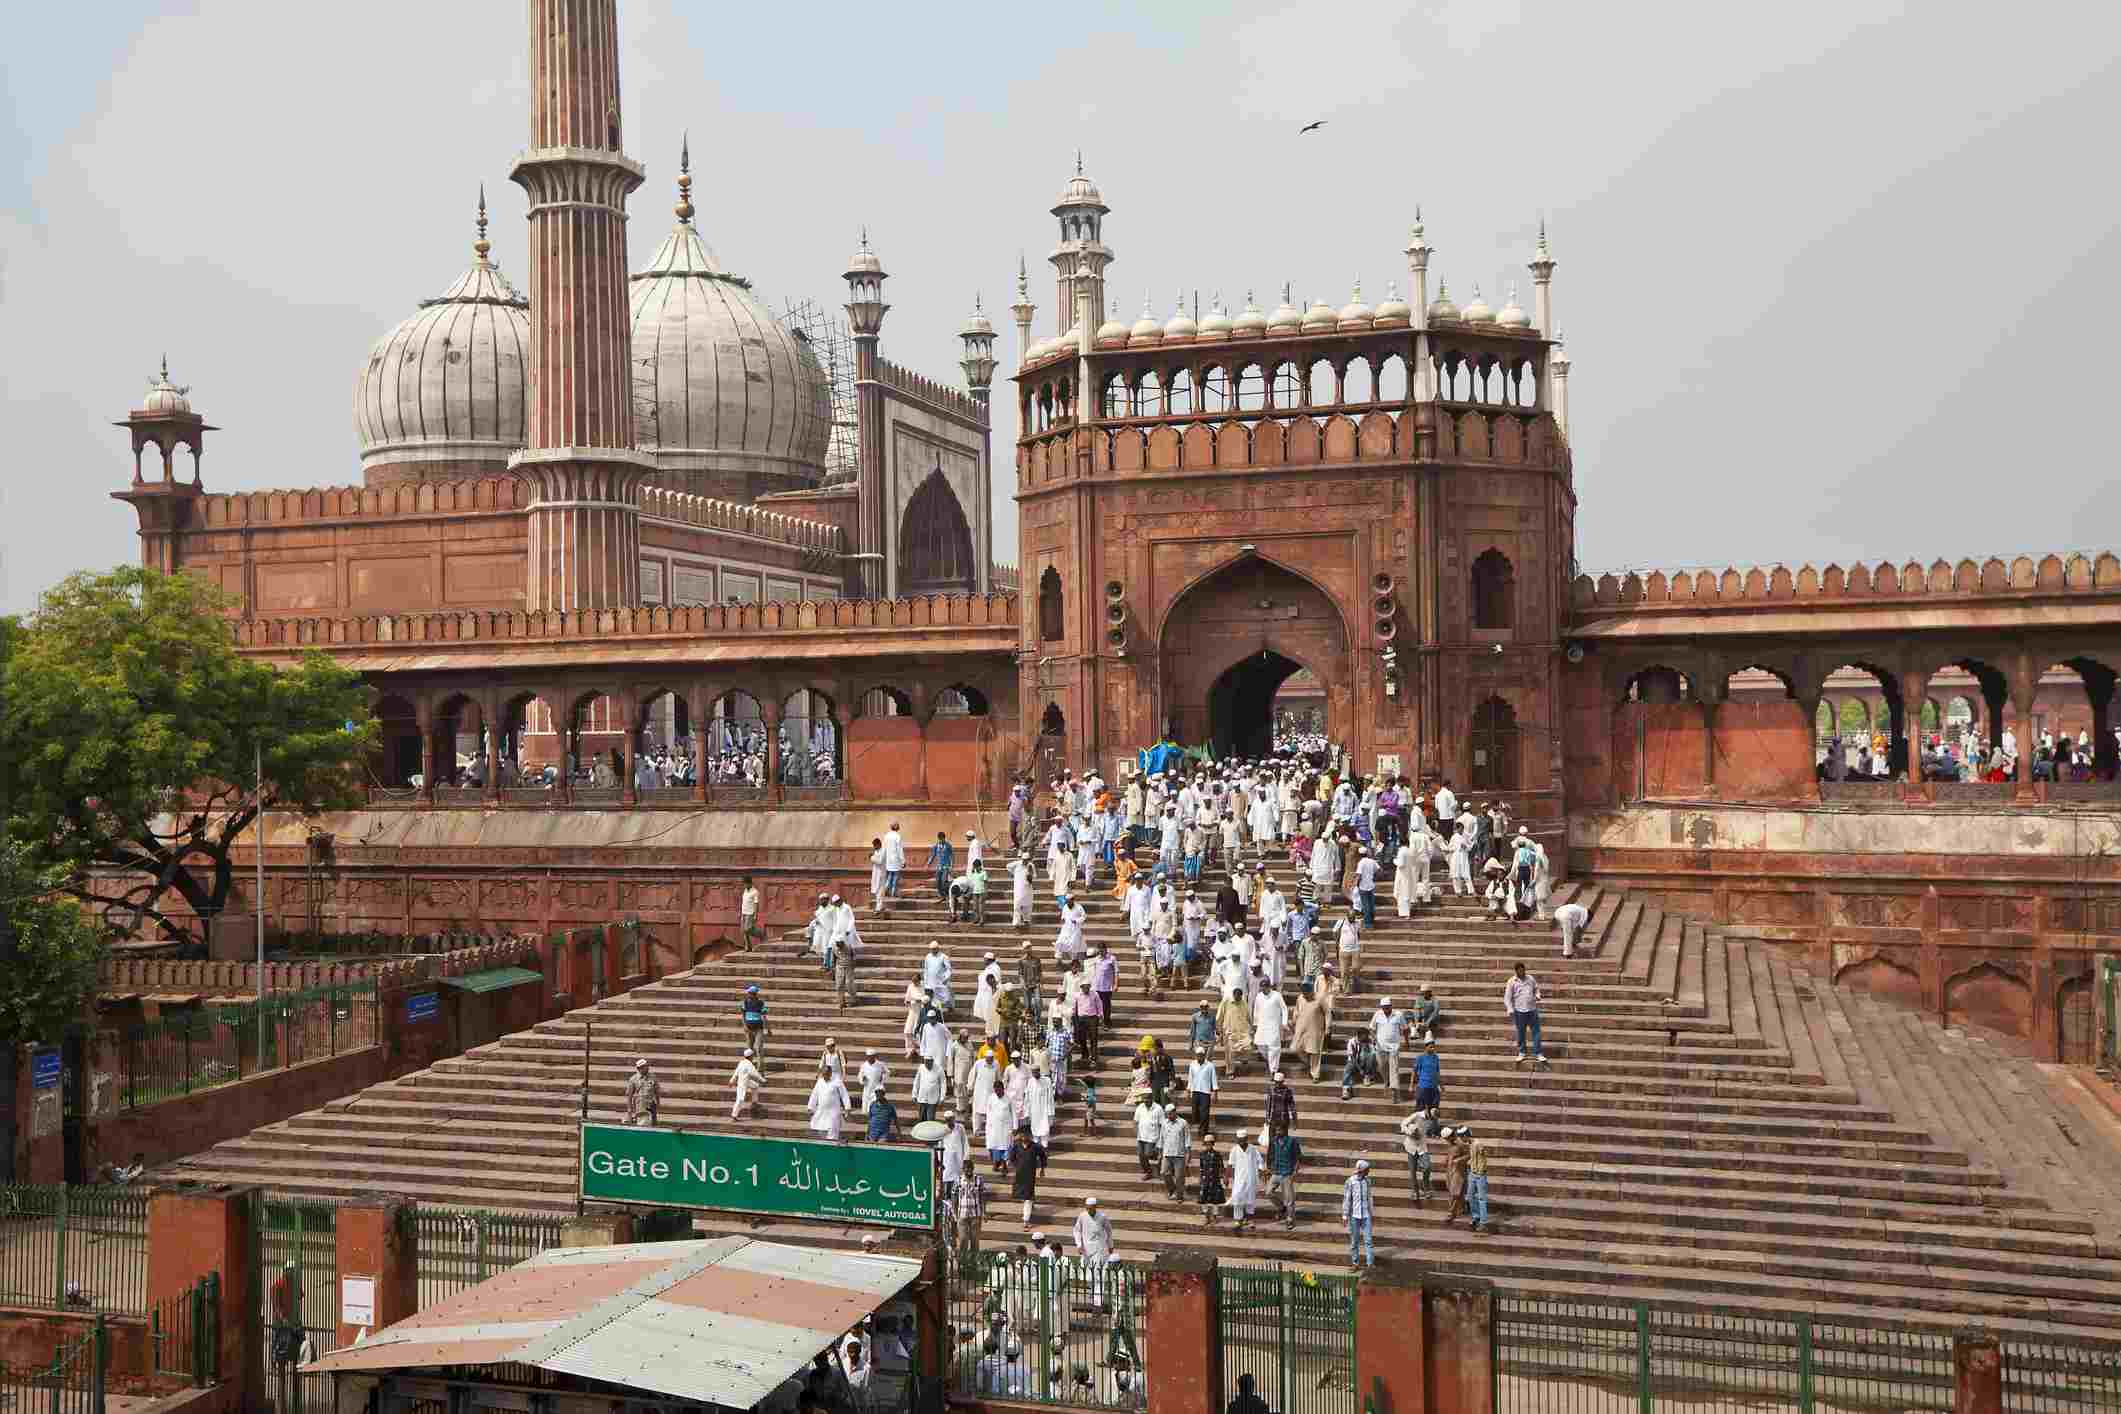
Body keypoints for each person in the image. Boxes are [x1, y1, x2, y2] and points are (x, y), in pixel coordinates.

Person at [1071, 1197, 1115, 1310]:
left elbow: (1109, 1231)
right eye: (1087, 1208)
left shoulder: (1102, 1217)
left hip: (1099, 1249)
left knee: (1098, 1275)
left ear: (1095, 1207)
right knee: (1089, 1276)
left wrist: (1110, 1245)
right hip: (1086, 1250)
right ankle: (1094, 1296)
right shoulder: (1082, 1216)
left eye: (1091, 1208)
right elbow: (1077, 1230)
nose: (1089, 1210)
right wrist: (1079, 1245)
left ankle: (1097, 1303)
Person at [1504, 962, 1549, 1066]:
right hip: (1519, 1011)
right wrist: (1510, 1009)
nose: (1522, 972)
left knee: (1536, 1032)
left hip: (1532, 1009)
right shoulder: (1512, 982)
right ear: (1516, 971)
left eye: (1523, 970)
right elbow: (1507, 998)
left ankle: (1538, 1052)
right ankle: (1522, 1052)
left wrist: (1538, 995)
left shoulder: (1530, 979)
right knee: (1521, 1032)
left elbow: (1536, 989)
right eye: (1519, 971)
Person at [1267, 1125, 1305, 1228]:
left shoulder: (1292, 1141)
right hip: (1276, 1171)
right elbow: (1270, 1155)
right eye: (1276, 1130)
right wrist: (1269, 1168)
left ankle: (1290, 1219)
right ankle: (1281, 1207)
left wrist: (1295, 1171)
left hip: (1287, 1172)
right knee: (1268, 1192)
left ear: (1285, 1130)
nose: (1277, 1132)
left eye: (1279, 1130)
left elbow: (1298, 1156)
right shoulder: (1274, 1141)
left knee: (1289, 1198)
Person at [1342, 1158, 1377, 1267]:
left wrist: (1372, 1212)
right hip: (1354, 1216)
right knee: (1354, 1241)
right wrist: (1345, 1215)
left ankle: (1370, 1264)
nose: (1369, 1171)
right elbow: (1347, 1198)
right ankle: (1355, 1263)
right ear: (1362, 1170)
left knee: (1368, 1241)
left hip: (1366, 1215)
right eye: (1367, 1169)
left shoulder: (1368, 1181)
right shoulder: (1350, 1182)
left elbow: (1369, 1197)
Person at [1292, 985, 1330, 1082]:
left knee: (1315, 1053)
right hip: (1300, 1028)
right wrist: (1293, 1020)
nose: (1304, 996)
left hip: (1315, 1029)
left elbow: (1327, 1013)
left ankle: (1315, 1075)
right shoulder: (1300, 998)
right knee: (1295, 1048)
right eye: (1303, 994)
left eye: (1306, 994)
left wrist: (1328, 1027)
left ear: (1311, 992)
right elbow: (1296, 1010)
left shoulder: (1320, 998)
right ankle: (1308, 1063)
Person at [807, 1061, 852, 1142]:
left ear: (830, 1073)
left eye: (827, 1074)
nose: (825, 1076)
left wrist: (847, 1108)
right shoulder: (820, 1082)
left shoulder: (837, 1081)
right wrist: (810, 1107)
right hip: (822, 1111)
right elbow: (814, 1094)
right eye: (823, 1074)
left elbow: (844, 1094)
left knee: (833, 1133)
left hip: (833, 1113)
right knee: (820, 1131)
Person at [1372, 997, 1408, 1097]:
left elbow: (1405, 1029)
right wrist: (1374, 1038)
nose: (1386, 1009)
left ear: (1391, 1006)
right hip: (1380, 1045)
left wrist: (1406, 1042)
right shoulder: (1377, 1014)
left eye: (1387, 1007)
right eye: (1384, 1007)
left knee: (1394, 1067)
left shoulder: (1398, 1015)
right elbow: (1372, 1028)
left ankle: (1394, 1090)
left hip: (1394, 1046)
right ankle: (1387, 1082)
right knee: (1381, 1066)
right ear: (1381, 1007)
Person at [1227, 1130, 1261, 1233]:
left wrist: (1262, 1169)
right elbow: (1230, 1164)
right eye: (1239, 1140)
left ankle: (1249, 1219)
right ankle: (1238, 1220)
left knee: (1250, 1199)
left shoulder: (1253, 1149)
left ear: (1246, 1139)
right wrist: (1226, 1176)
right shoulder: (1234, 1150)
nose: (1241, 1142)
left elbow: (1259, 1161)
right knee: (1237, 1197)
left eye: (1243, 1140)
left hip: (1251, 1178)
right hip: (1239, 1179)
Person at [1400, 1107, 1436, 1200]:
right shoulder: (1416, 1116)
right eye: (1431, 1117)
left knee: (1427, 1167)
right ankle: (1415, 1191)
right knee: (1413, 1171)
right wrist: (1410, 1133)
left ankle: (1426, 1188)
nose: (1431, 1120)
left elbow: (1429, 1130)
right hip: (1411, 1146)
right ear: (1427, 1112)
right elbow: (1403, 1124)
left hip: (1422, 1146)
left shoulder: (1431, 1120)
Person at [1158, 1103, 1191, 1201]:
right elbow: (1161, 1137)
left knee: (1179, 1176)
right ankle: (1172, 1189)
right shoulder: (1164, 1123)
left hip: (1179, 1154)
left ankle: (1179, 1195)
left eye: (1170, 1114)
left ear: (1174, 1112)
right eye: (1167, 1114)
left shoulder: (1183, 1123)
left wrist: (1188, 1153)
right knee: (1164, 1172)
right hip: (1167, 1153)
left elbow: (1187, 1138)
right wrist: (1160, 1152)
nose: (1168, 1116)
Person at [1009, 1125, 1040, 1228]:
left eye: (1026, 1135)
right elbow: (1011, 1158)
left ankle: (1026, 1220)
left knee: (1028, 1197)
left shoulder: (1035, 1146)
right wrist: (1016, 1166)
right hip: (1020, 1175)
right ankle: (1031, 1205)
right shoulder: (1016, 1146)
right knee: (1025, 1195)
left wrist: (1042, 1169)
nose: (1024, 1137)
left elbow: (1042, 1156)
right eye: (1022, 1135)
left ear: (1030, 1136)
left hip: (1031, 1175)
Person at [1196, 1132, 1227, 1225]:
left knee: (1215, 1199)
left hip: (1214, 1179)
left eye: (1209, 1144)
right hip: (1205, 1179)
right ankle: (1206, 1216)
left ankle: (1214, 1216)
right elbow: (1201, 1167)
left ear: (1212, 1144)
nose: (1208, 1145)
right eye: (1206, 1144)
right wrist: (1200, 1177)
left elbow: (1221, 1167)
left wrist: (1223, 1176)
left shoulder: (1217, 1155)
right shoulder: (1202, 1154)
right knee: (1203, 1199)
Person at [938, 1109, 970, 1202]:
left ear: (954, 1118)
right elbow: (939, 1145)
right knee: (946, 1179)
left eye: (951, 1119)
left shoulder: (960, 1128)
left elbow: (965, 1142)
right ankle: (946, 1199)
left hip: (959, 1159)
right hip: (946, 1159)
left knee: (958, 1179)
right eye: (947, 1119)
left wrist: (966, 1157)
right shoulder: (942, 1129)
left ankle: (958, 1199)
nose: (949, 1121)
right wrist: (940, 1160)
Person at [1185, 1047, 1219, 1129]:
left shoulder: (1210, 1065)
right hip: (1195, 1090)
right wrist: (1188, 1090)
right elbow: (1190, 1078)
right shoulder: (1192, 1064)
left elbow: (1214, 1079)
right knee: (1195, 1111)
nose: (1199, 1057)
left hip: (1205, 1091)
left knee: (1204, 1112)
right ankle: (1199, 1125)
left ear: (1204, 1055)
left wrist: (1215, 1092)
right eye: (1198, 1055)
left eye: (1201, 1055)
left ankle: (1204, 1129)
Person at [1466, 1128, 1492, 1233]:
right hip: (1472, 1173)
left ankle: (1483, 1222)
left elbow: (1483, 1156)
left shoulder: (1478, 1144)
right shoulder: (1470, 1144)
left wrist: (1481, 1171)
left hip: (1480, 1174)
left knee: (1482, 1198)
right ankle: (1476, 1216)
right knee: (1470, 1195)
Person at [1133, 1093, 1163, 1180]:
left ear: (1151, 1099)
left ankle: (1161, 1161)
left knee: (1148, 1153)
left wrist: (1160, 1139)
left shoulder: (1158, 1108)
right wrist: (1135, 1131)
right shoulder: (1140, 1107)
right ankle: (1148, 1172)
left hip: (1152, 1137)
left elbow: (1162, 1124)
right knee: (1141, 1155)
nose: (1145, 1102)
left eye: (1147, 1100)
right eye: (1144, 1100)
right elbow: (1135, 1121)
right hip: (1141, 1137)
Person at [730, 1048, 766, 1121]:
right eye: (752, 1056)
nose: (753, 1057)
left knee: (755, 1086)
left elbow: (736, 1072)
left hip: (747, 1081)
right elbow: (755, 1073)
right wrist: (763, 1080)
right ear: (750, 1056)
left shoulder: (741, 1062)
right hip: (742, 1084)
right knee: (740, 1099)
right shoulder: (749, 1064)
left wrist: (731, 1081)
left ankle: (754, 1102)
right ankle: (734, 1115)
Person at [741, 985, 770, 1070]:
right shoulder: (745, 1002)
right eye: (749, 993)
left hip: (758, 1029)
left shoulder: (761, 1003)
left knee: (759, 1048)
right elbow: (743, 1015)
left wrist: (767, 1028)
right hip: (748, 1028)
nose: (749, 995)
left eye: (751, 993)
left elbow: (764, 1017)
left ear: (755, 994)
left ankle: (760, 1066)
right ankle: (749, 1065)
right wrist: (744, 1026)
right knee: (749, 1048)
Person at [625, 1058, 660, 1126]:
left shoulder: (653, 1077)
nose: (647, 1068)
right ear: (639, 1068)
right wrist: (629, 1108)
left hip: (651, 1105)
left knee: (654, 1124)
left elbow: (657, 1091)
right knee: (643, 1124)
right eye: (645, 1067)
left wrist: (658, 1103)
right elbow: (629, 1095)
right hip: (640, 1106)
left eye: (647, 1066)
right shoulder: (633, 1079)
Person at [912, 1055, 945, 1122]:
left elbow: (943, 1084)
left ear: (932, 1061)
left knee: (930, 1120)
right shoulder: (921, 1068)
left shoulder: (939, 1069)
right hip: (922, 1098)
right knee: (921, 1119)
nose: (926, 1065)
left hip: (932, 1099)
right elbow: (916, 1081)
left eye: (928, 1062)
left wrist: (942, 1098)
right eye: (925, 1062)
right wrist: (914, 1094)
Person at [834, 922, 860, 1008]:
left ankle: (854, 999)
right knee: (839, 984)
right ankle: (841, 1002)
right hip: (839, 966)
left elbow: (854, 957)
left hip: (849, 966)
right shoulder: (834, 947)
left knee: (849, 984)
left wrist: (853, 965)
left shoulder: (848, 946)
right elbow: (833, 958)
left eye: (840, 943)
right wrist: (832, 967)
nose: (839, 945)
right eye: (837, 943)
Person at [1413, 1038, 1442, 1111]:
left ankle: (1432, 1122)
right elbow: (1414, 1071)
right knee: (1420, 1108)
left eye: (1434, 1047)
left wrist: (1441, 1084)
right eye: (1431, 1047)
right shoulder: (1420, 1058)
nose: (1433, 1049)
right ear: (1426, 1047)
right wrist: (1411, 1085)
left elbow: (1437, 1071)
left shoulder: (1436, 1057)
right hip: (1423, 1086)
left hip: (1434, 1086)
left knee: (1434, 1107)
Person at [1336, 911, 1363, 989]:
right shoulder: (1341, 922)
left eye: (1354, 917)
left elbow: (1358, 933)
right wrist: (1338, 944)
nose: (1353, 919)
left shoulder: (1357, 923)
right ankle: (1346, 989)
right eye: (1351, 917)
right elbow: (1335, 932)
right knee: (1344, 972)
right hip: (1343, 950)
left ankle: (1355, 983)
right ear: (1347, 916)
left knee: (1356, 968)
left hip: (1355, 949)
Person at [928, 831, 957, 901]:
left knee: (944, 881)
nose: (940, 840)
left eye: (942, 839)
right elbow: (933, 855)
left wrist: (952, 865)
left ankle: (947, 894)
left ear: (944, 838)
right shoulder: (936, 846)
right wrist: (929, 863)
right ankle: (942, 895)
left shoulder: (948, 845)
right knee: (938, 881)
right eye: (939, 839)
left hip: (946, 867)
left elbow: (952, 855)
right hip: (939, 867)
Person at [1355, 846, 1379, 928]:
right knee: (1371, 904)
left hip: (1363, 886)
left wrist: (1356, 884)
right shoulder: (1372, 861)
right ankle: (1372, 919)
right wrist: (1374, 877)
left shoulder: (1361, 863)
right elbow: (1379, 870)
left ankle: (1368, 924)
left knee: (1365, 905)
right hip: (1371, 885)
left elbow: (1359, 875)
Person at [740, 876, 765, 951]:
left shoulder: (755, 892)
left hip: (750, 913)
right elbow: (744, 902)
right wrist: (741, 914)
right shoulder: (745, 891)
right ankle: (748, 947)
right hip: (744, 912)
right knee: (744, 931)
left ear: (749, 883)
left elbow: (756, 904)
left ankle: (760, 934)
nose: (744, 885)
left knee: (747, 929)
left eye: (745, 884)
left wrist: (755, 915)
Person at [882, 822, 906, 898]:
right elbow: (899, 849)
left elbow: (884, 848)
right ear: (897, 828)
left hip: (888, 860)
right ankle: (892, 893)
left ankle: (885, 890)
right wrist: (903, 861)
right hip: (895, 860)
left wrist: (883, 859)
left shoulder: (886, 836)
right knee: (895, 877)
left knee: (889, 876)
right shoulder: (897, 836)